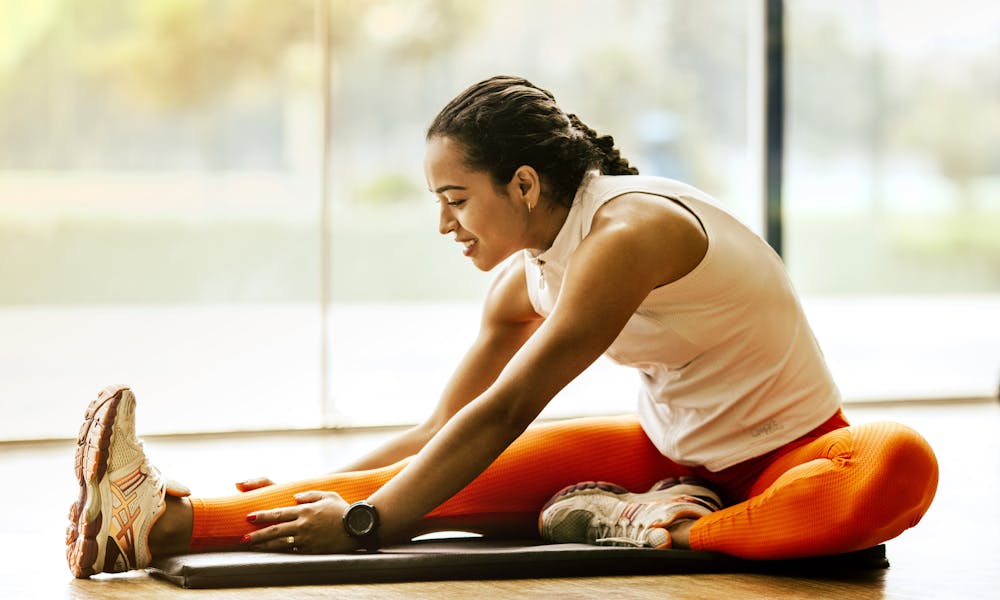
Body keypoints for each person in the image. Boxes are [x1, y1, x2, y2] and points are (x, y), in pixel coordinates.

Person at [66, 75, 938, 578]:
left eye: (456, 198)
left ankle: (665, 528)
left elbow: (510, 408)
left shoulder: (629, 234)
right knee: (424, 481)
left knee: (900, 463)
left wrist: (370, 523)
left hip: (795, 457)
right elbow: (441, 433)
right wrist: (317, 489)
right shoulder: (524, 280)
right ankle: (148, 522)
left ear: (524, 184)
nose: (445, 224)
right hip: (667, 457)